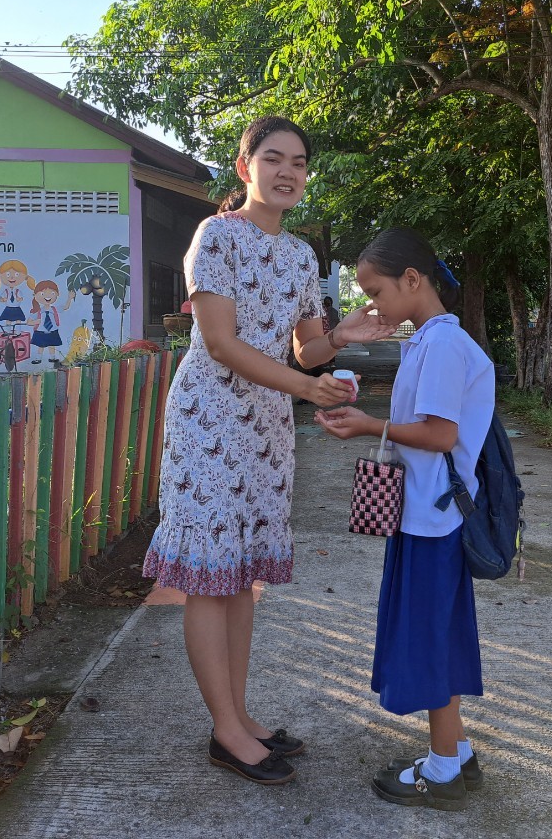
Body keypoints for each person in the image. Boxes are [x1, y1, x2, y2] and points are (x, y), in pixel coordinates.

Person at [142, 116, 397, 786]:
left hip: (266, 425)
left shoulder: (302, 256)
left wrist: (341, 337)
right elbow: (220, 342)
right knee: (210, 574)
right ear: (244, 167)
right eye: (274, 158)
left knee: (242, 571)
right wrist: (307, 388)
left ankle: (240, 715)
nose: (288, 171)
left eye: (299, 162)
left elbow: (304, 349)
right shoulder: (216, 236)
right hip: (209, 419)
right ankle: (224, 730)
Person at [315, 227, 494, 812]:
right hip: (425, 515)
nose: (373, 305)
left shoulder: (442, 345)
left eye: (376, 291)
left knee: (429, 640)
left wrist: (369, 426)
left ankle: (441, 772)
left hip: (432, 521)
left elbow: (440, 435)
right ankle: (457, 753)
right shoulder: (431, 340)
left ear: (412, 280)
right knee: (439, 633)